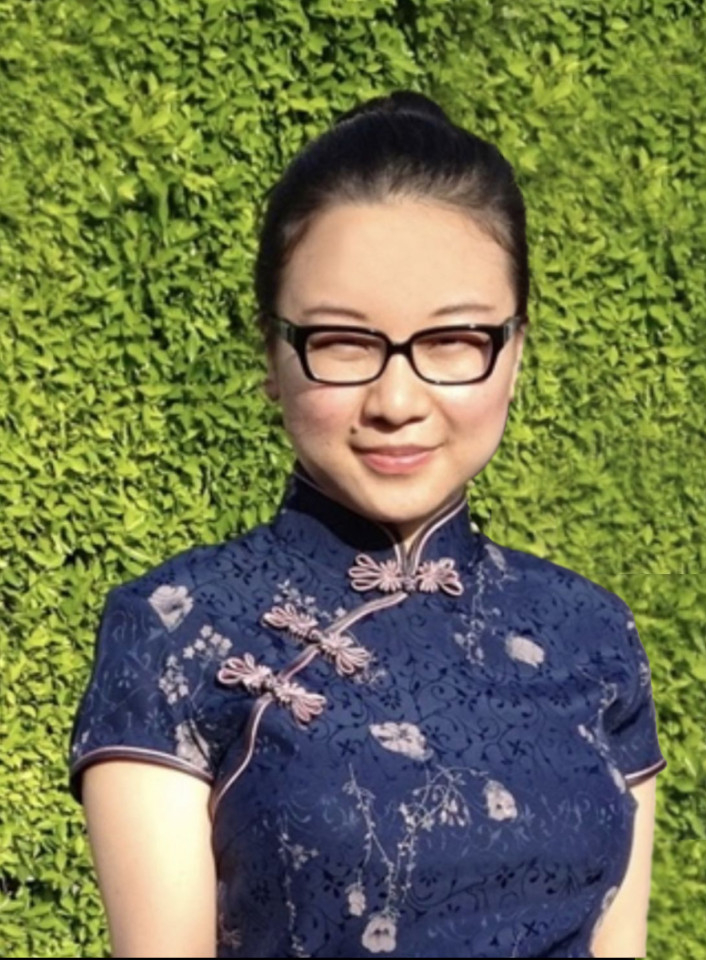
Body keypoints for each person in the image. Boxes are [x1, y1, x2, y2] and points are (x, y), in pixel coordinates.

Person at [68, 91, 666, 959]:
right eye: (343, 342)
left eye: (454, 340)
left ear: (516, 348)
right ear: (272, 355)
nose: (396, 401)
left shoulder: (591, 633)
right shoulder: (176, 627)